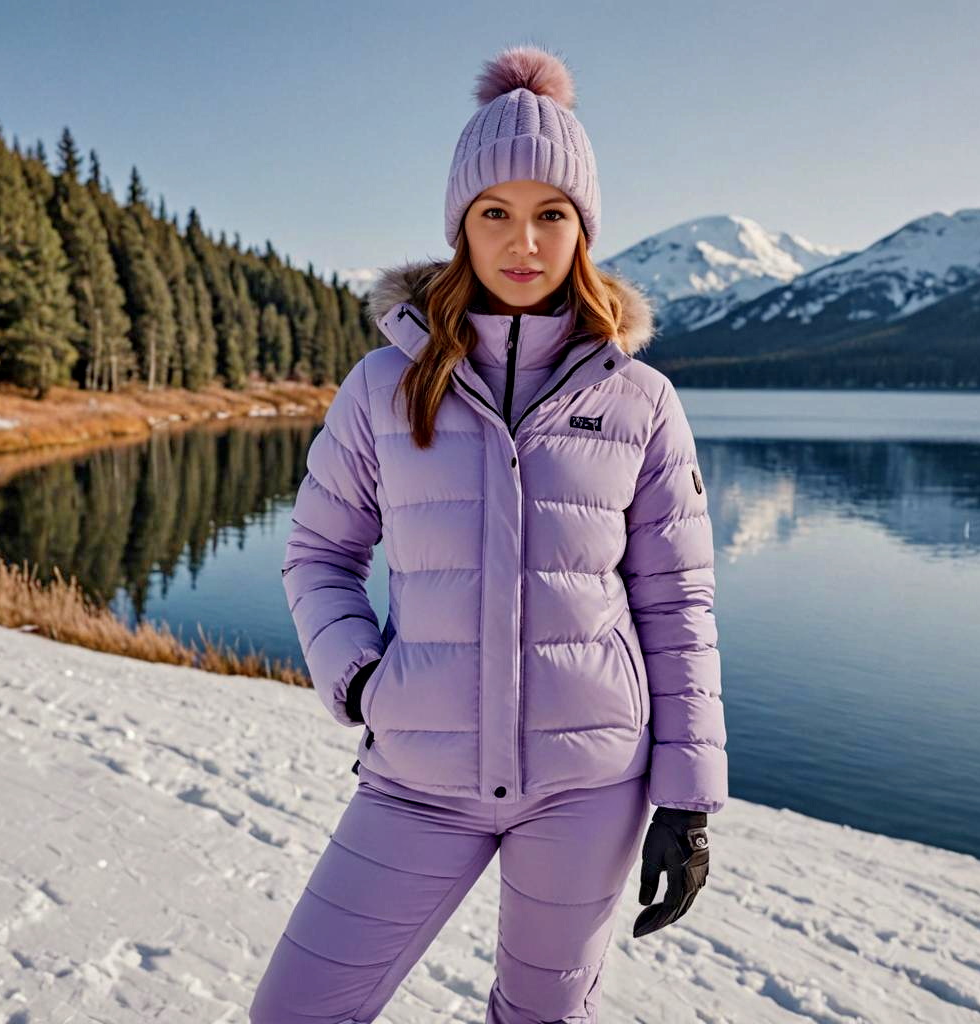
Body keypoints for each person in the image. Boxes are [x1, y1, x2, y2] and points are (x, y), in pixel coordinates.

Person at [250, 42, 727, 1024]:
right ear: (460, 229)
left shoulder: (637, 400)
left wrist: (686, 798)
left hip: (588, 786)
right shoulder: (385, 386)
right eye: (494, 214)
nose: (524, 241)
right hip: (415, 779)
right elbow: (319, 555)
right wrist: (360, 676)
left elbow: (675, 602)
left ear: (582, 230)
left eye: (551, 214)